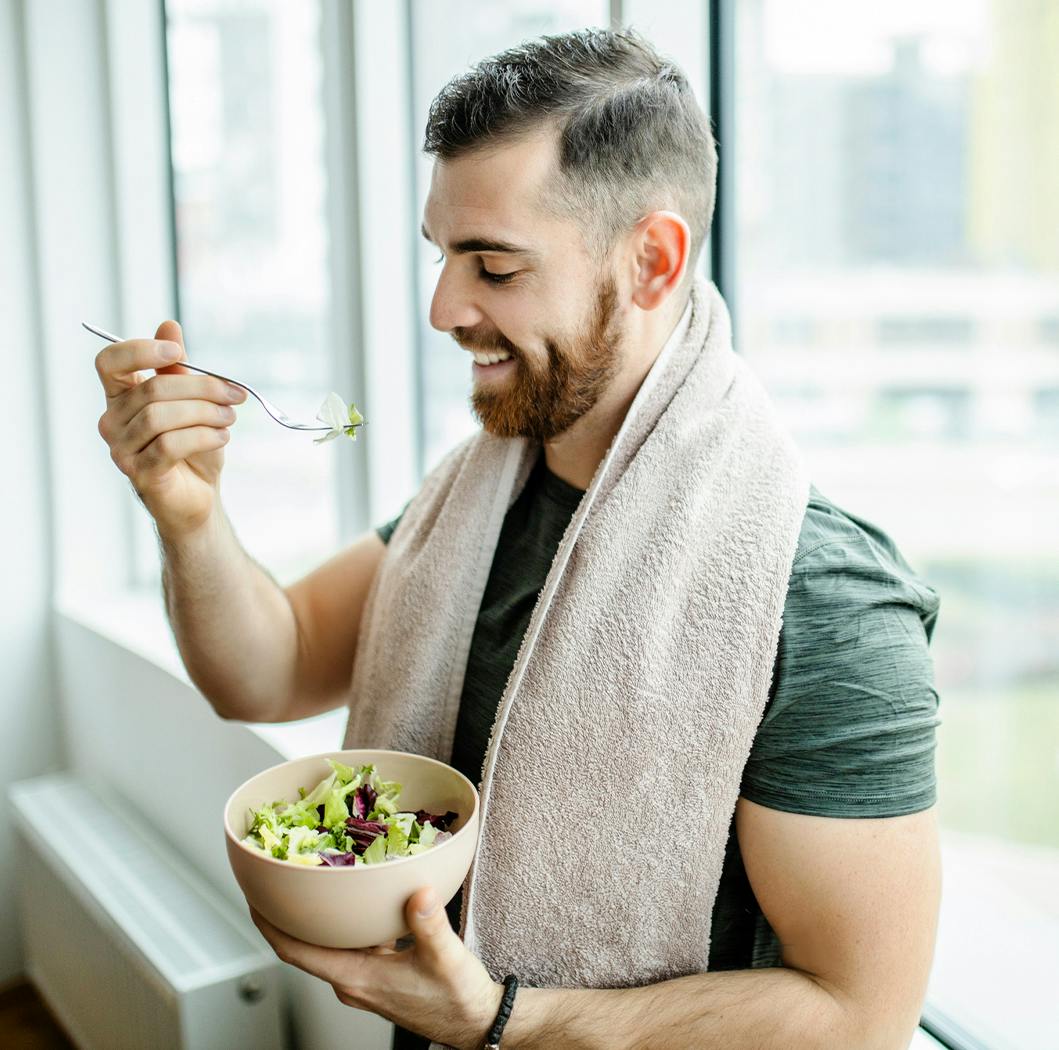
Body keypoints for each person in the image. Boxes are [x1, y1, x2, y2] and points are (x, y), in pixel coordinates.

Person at [95, 27, 941, 1050]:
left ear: (652, 261)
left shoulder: (821, 601)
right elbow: (264, 670)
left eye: (493, 265)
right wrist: (189, 515)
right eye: (444, 255)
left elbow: (862, 1018)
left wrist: (502, 1022)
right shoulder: (474, 499)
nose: (446, 307)